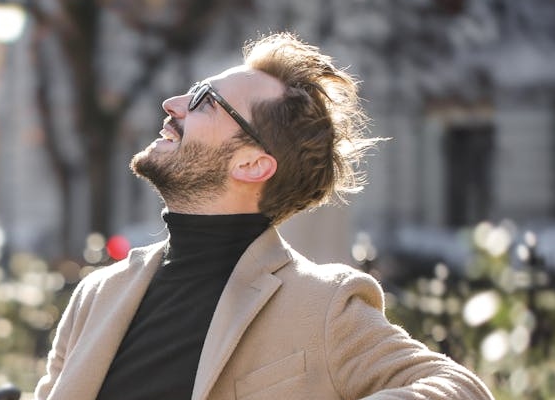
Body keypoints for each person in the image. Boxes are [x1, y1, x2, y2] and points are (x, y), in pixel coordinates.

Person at [35, 33, 493, 400]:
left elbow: (461, 389)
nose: (172, 104)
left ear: (251, 164)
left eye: (203, 99)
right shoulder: (99, 292)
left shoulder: (323, 305)